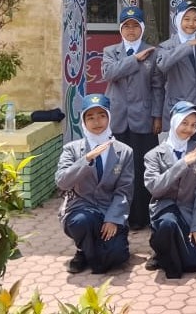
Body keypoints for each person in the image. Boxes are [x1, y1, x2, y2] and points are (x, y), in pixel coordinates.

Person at [55, 94, 133, 275]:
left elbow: (125, 190)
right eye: (90, 117)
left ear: (109, 117)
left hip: (108, 209)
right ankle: (82, 252)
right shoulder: (72, 149)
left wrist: (113, 218)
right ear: (83, 121)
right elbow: (62, 181)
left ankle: (93, 250)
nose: (97, 122)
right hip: (81, 207)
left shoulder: (124, 151)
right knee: (82, 222)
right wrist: (87, 159)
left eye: (102, 116)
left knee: (118, 256)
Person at [100, 6, 161, 230]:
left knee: (142, 168)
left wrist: (157, 115)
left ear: (142, 28)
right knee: (118, 170)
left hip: (143, 119)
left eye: (136, 26)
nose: (131, 30)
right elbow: (108, 73)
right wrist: (134, 59)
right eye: (127, 26)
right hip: (117, 119)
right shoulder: (110, 51)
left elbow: (157, 87)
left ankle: (141, 216)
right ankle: (119, 214)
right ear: (121, 29)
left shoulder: (152, 52)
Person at [143, 100, 196, 279]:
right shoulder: (153, 155)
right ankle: (162, 252)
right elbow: (155, 188)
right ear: (174, 122)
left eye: (194, 124)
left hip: (189, 212)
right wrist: (183, 164)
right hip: (165, 211)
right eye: (185, 123)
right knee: (168, 224)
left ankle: (167, 252)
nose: (189, 129)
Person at [155, 0, 196, 137]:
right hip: (178, 112)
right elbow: (163, 64)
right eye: (186, 19)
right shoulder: (167, 46)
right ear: (178, 20)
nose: (191, 23)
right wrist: (187, 46)